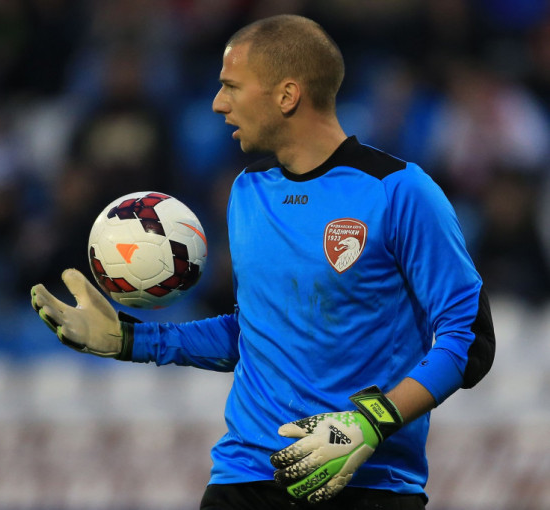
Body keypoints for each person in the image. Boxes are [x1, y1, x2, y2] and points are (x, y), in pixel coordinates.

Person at [30, 14, 495, 510]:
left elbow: (469, 340)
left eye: (231, 86)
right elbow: (257, 333)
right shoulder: (248, 190)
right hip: (245, 476)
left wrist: (370, 422)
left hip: (366, 484)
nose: (218, 103)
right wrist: (132, 339)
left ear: (287, 95)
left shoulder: (400, 191)